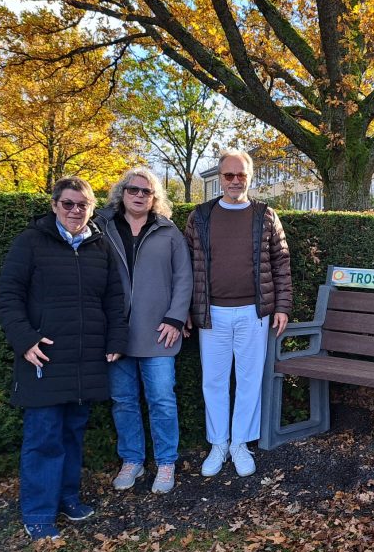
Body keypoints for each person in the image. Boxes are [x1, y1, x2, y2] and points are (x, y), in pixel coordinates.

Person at [0, 177, 127, 541]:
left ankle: (68, 498)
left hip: (86, 359)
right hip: (46, 357)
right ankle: (38, 512)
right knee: (44, 437)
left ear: (91, 207)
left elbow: (114, 299)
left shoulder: (100, 246)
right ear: (54, 205)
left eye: (82, 205)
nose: (75, 211)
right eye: (68, 204)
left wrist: (116, 338)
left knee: (72, 433)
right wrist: (24, 339)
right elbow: (9, 294)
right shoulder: (31, 243)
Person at [184, 149, 291, 477]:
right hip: (212, 314)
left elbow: (281, 261)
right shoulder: (200, 216)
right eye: (228, 175)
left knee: (248, 381)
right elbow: (185, 267)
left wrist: (283, 306)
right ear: (220, 177)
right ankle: (218, 443)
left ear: (250, 177)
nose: (234, 181)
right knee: (213, 381)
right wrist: (185, 309)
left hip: (254, 314)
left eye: (240, 175)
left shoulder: (265, 214)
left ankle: (240, 443)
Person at [95, 168, 193, 495]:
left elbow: (184, 278)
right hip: (116, 333)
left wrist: (176, 318)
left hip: (159, 333)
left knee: (162, 400)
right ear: (122, 192)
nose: (139, 195)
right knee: (123, 401)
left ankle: (166, 463)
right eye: (133, 190)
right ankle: (132, 460)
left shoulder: (168, 231)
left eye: (146, 192)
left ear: (155, 198)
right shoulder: (101, 227)